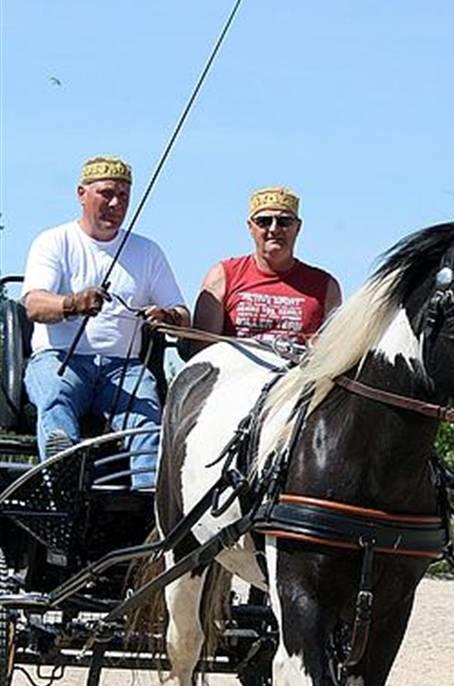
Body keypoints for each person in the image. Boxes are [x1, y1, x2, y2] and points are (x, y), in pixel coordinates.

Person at [21, 155, 190, 488]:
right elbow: (34, 305)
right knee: (55, 399)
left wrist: (166, 316)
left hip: (123, 366)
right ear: (81, 193)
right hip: (61, 360)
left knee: (149, 423)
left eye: (124, 196)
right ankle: (63, 481)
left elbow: (182, 315)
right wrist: (73, 303)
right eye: (107, 194)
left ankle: (148, 504)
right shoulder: (53, 241)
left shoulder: (147, 252)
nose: (116, 203)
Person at [192, 186, 341, 347]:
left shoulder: (325, 287)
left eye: (284, 222)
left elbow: (333, 354)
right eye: (264, 221)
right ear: (250, 227)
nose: (274, 229)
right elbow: (202, 350)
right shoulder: (223, 276)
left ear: (298, 227)